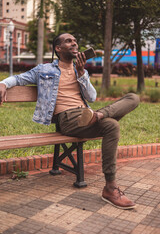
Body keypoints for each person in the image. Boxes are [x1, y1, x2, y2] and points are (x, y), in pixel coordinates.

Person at [0, 33, 140, 209]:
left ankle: (98, 116)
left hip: (87, 115)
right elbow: (18, 79)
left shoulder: (81, 70)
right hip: (67, 119)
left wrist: (81, 73)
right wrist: (3, 84)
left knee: (133, 98)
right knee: (111, 124)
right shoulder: (44, 70)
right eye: (68, 41)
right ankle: (111, 189)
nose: (74, 43)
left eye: (75, 40)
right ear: (58, 49)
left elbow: (92, 97)